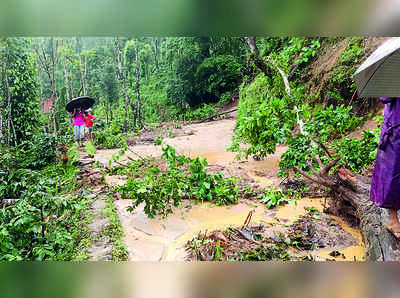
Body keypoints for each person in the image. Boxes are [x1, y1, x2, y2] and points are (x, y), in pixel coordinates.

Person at [371, 97, 400, 239]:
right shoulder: (393, 75)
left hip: (396, 126)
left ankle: (394, 222)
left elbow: (385, 97)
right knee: (394, 174)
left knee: (393, 174)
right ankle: (394, 222)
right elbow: (386, 96)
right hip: (396, 126)